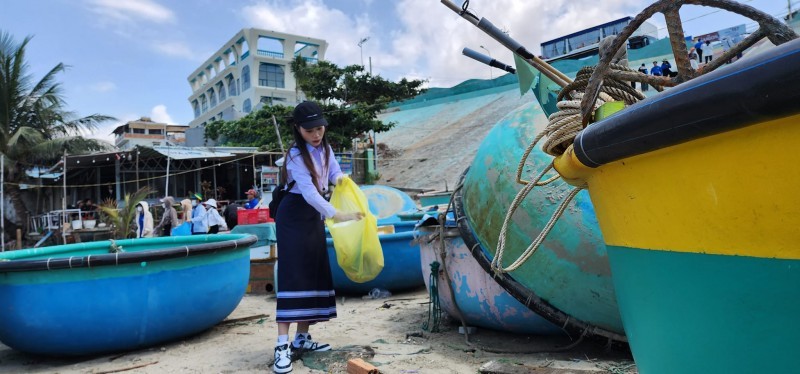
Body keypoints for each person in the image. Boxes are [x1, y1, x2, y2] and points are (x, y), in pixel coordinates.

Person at [272, 101, 364, 374]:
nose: (316, 134)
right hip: (293, 216)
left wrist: (345, 183)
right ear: (298, 129)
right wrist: (339, 214)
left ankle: (302, 338)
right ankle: (281, 346)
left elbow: (334, 173)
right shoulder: (294, 156)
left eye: (320, 128)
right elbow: (310, 193)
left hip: (314, 216)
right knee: (293, 275)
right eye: (310, 129)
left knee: (312, 273)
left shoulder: (326, 148)